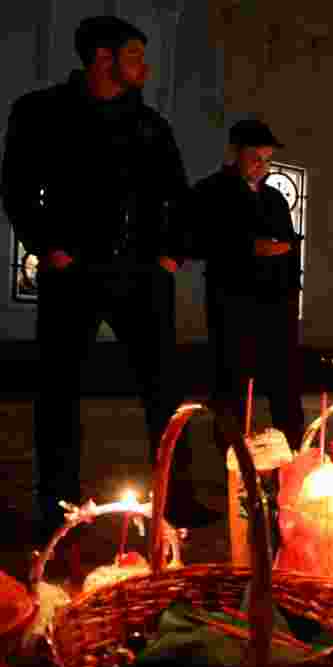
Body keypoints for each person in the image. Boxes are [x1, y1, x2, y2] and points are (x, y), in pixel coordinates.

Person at [0, 16, 216, 539]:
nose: (144, 67)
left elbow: (178, 196)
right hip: (73, 273)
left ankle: (178, 500)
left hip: (141, 275)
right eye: (135, 56)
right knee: (58, 393)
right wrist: (49, 249)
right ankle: (56, 512)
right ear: (102, 58)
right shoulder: (42, 112)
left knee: (165, 391)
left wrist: (172, 255)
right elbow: (18, 186)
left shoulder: (150, 124)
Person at [192, 119, 306, 453]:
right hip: (234, 306)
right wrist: (248, 248)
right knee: (232, 387)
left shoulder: (274, 199)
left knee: (284, 387)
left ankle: (293, 456)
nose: (263, 166)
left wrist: (288, 288)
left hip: (276, 307)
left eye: (267, 159)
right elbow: (199, 241)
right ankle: (232, 459)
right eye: (256, 157)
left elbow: (288, 247)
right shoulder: (211, 192)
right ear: (234, 154)